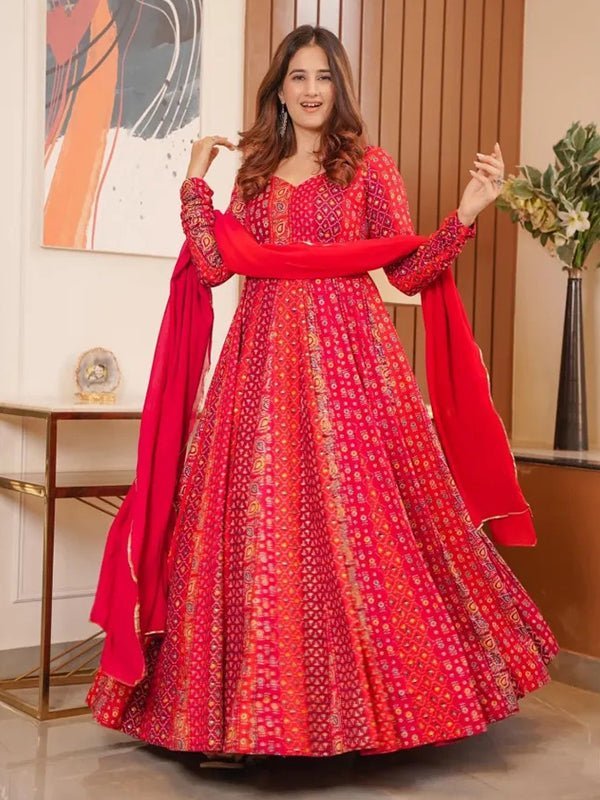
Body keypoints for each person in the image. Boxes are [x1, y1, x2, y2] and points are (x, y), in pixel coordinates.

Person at [86, 24, 558, 768]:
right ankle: (239, 721)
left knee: (364, 526)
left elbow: (405, 271)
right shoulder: (254, 173)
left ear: (340, 87)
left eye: (324, 77)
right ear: (279, 89)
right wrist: (194, 180)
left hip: (353, 366)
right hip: (260, 369)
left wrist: (467, 212)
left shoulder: (369, 167)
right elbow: (213, 266)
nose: (311, 90)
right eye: (298, 77)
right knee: (258, 526)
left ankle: (380, 714)